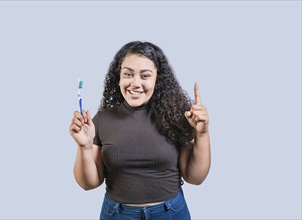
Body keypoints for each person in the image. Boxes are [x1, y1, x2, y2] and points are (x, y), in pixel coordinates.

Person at [69, 41, 211, 220]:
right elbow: (88, 183)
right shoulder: (102, 120)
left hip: (170, 213)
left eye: (145, 76)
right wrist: (84, 147)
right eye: (128, 74)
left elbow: (195, 178)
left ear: (157, 79)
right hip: (118, 214)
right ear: (118, 77)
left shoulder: (177, 116)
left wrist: (202, 133)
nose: (135, 83)